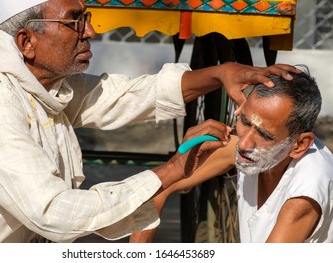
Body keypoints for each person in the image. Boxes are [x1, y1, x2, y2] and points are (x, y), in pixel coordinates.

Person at [0, 0, 298, 243]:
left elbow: (124, 95)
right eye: (75, 22)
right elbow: (53, 212)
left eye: (87, 18)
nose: (91, 31)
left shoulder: (45, 87)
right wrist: (171, 170)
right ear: (26, 42)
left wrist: (220, 73)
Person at [130, 67, 333, 243]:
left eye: (264, 134)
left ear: (299, 145)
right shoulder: (250, 147)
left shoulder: (304, 195)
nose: (243, 143)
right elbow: (155, 189)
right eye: (244, 121)